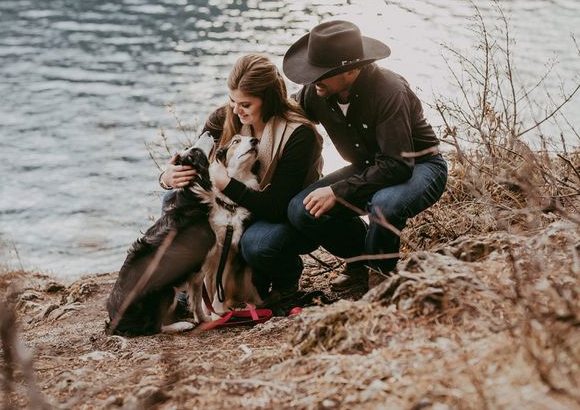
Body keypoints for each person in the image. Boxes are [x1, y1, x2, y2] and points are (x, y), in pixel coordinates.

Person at [284, 20, 448, 298]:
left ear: (352, 70)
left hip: (420, 167)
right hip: (369, 168)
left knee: (384, 204)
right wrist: (221, 127)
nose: (312, 81)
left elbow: (397, 165)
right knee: (301, 209)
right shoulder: (318, 91)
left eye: (322, 73)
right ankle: (360, 261)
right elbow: (283, 111)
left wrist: (337, 192)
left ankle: (381, 277)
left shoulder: (389, 91)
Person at [160, 53, 323, 299]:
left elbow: (279, 207)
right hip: (237, 209)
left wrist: (226, 184)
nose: (236, 110)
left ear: (269, 100)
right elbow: (194, 163)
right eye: (232, 100)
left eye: (245, 104)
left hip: (281, 217)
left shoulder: (298, 134)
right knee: (172, 199)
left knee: (258, 244)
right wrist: (168, 176)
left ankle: (286, 275)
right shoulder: (223, 118)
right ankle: (187, 284)